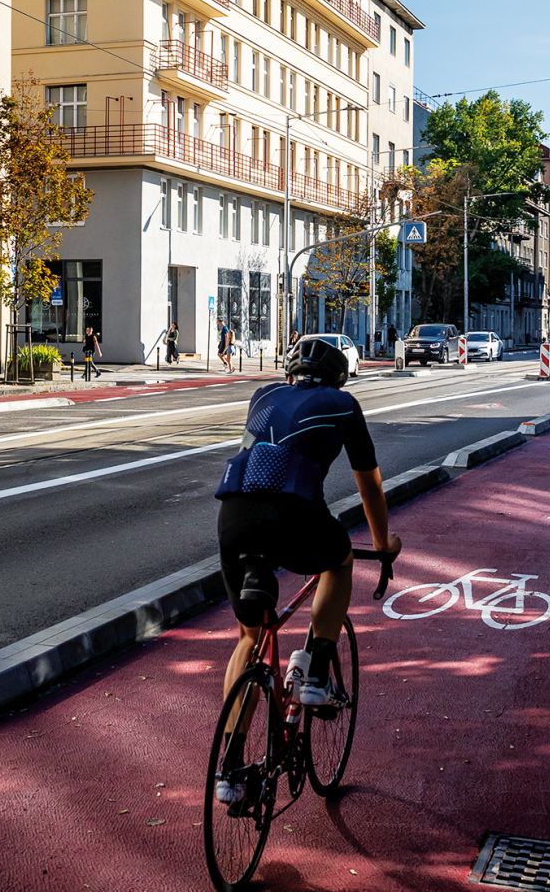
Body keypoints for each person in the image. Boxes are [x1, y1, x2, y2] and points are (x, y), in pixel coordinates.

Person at [211, 336, 400, 805]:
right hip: (294, 516)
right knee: (338, 562)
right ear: (339, 376)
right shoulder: (343, 403)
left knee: (249, 637)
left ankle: (230, 772)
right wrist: (383, 545)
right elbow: (369, 484)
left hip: (234, 518)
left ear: (290, 374)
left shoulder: (264, 395)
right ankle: (315, 673)